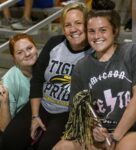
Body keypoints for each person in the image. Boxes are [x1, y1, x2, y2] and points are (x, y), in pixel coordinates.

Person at [52, 0, 136, 150]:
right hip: (102, 133)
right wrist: (94, 130)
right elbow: (81, 111)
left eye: (103, 30)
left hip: (135, 128)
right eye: (91, 31)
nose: (97, 36)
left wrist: (115, 136)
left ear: (115, 30)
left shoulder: (133, 52)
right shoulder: (82, 67)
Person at [2, 2, 92, 150]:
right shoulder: (54, 43)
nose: (73, 29)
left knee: (45, 147)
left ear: (87, 25)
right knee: (9, 140)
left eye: (78, 23)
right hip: (43, 104)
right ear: (63, 28)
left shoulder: (93, 52)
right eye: (68, 25)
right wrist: (35, 116)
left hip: (67, 112)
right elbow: (37, 80)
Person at [0, 33, 38, 150]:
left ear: (36, 48)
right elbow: (5, 129)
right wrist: (4, 102)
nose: (27, 54)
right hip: (18, 128)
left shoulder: (47, 67)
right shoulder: (10, 80)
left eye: (29, 48)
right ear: (14, 58)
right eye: (19, 52)